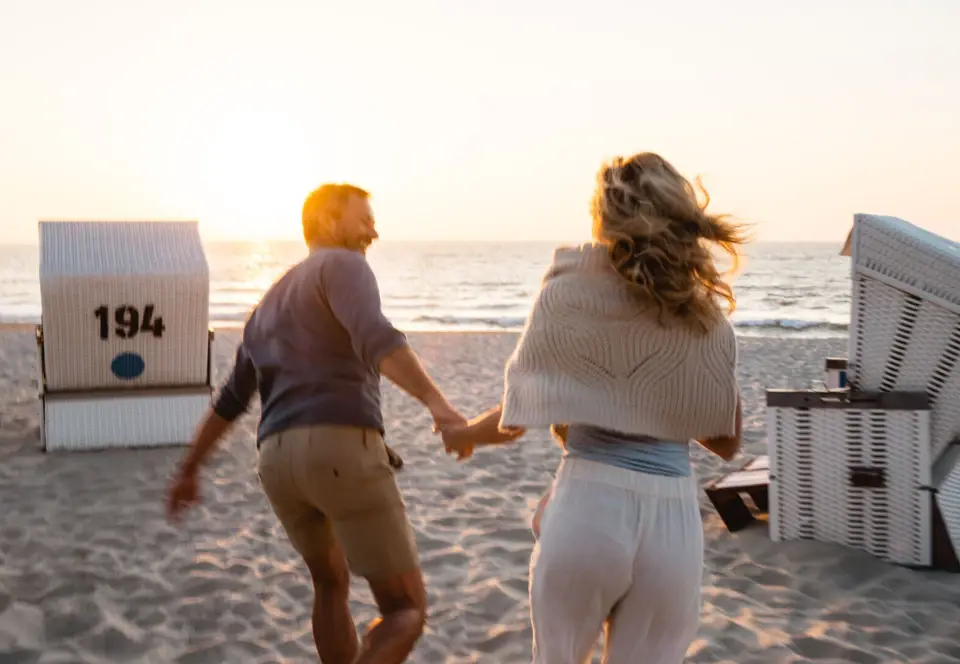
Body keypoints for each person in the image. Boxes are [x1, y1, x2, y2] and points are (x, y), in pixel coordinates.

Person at [439, 152, 746, 664]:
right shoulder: (703, 312)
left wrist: (467, 433)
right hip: (671, 521)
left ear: (604, 217)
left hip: (588, 508)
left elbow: (520, 411)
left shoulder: (566, 292)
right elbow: (726, 440)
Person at [166, 183, 465, 664]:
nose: (374, 230)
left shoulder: (266, 303)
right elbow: (375, 337)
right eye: (363, 218)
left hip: (277, 463)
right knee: (405, 608)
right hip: (339, 449)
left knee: (330, 583)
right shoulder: (343, 266)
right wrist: (439, 405)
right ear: (328, 221)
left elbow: (231, 399)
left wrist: (189, 469)